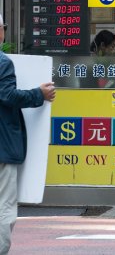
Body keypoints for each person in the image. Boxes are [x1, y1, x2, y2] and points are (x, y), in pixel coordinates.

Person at [0, 14, 57, 254]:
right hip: (2, 145)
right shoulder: (2, 63)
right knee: (4, 205)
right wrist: (38, 94)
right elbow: (7, 96)